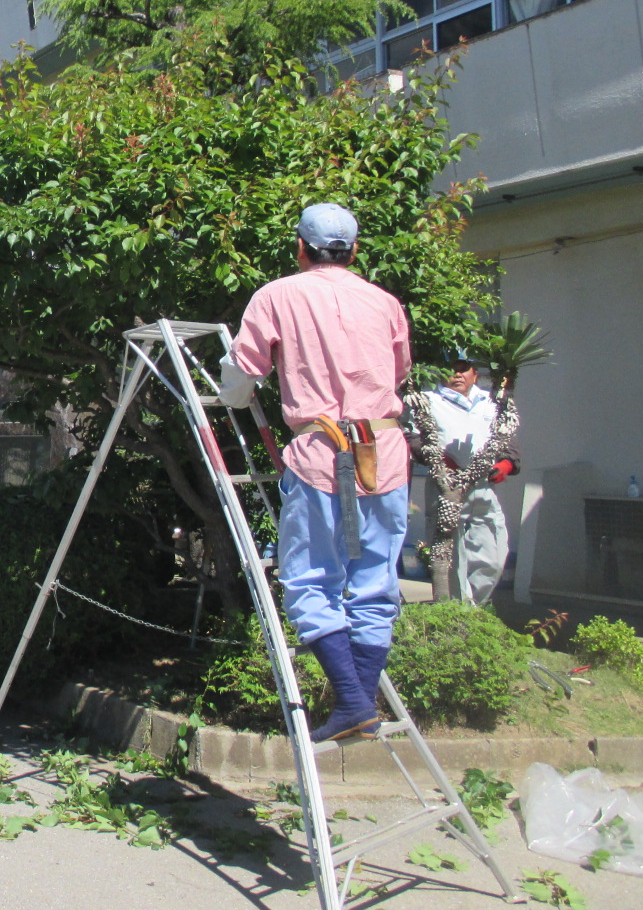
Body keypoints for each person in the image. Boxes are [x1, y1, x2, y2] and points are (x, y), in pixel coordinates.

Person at [218, 204, 411, 743]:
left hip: (322, 451)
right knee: (375, 586)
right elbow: (398, 372)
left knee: (309, 583)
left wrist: (227, 383)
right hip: (385, 450)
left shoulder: (278, 295)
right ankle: (361, 703)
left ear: (300, 247)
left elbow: (240, 381)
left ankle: (352, 702)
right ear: (354, 250)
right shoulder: (385, 302)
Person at [413, 355, 518, 605]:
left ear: (475, 374)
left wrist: (506, 464)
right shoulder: (427, 401)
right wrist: (436, 459)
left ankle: (473, 608)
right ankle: (458, 615)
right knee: (452, 558)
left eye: (463, 369)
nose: (457, 374)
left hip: (483, 486)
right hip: (446, 484)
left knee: (493, 555)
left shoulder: (491, 403)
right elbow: (412, 438)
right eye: (451, 369)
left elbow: (508, 436)